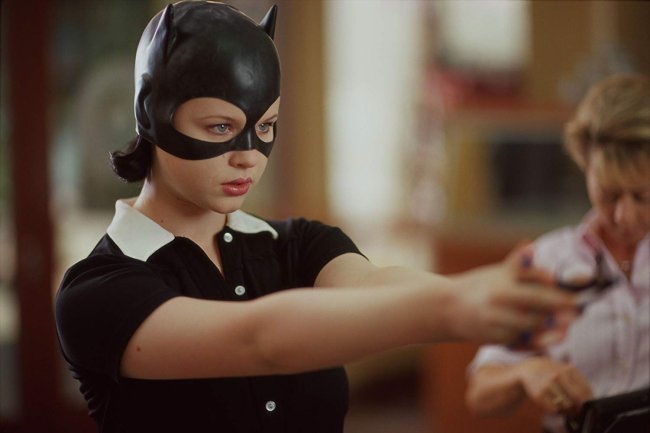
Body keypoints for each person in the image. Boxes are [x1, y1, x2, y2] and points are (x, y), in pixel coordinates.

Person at [54, 2, 576, 433]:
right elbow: (260, 341)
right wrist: (457, 307)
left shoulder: (299, 244)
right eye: (220, 128)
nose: (248, 156)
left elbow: (371, 287)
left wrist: (489, 294)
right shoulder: (98, 292)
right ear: (150, 113)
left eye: (265, 127)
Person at [465, 74, 650, 433]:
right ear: (585, 167)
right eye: (609, 194)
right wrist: (525, 372)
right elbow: (479, 395)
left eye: (643, 196)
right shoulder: (548, 262)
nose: (624, 216)